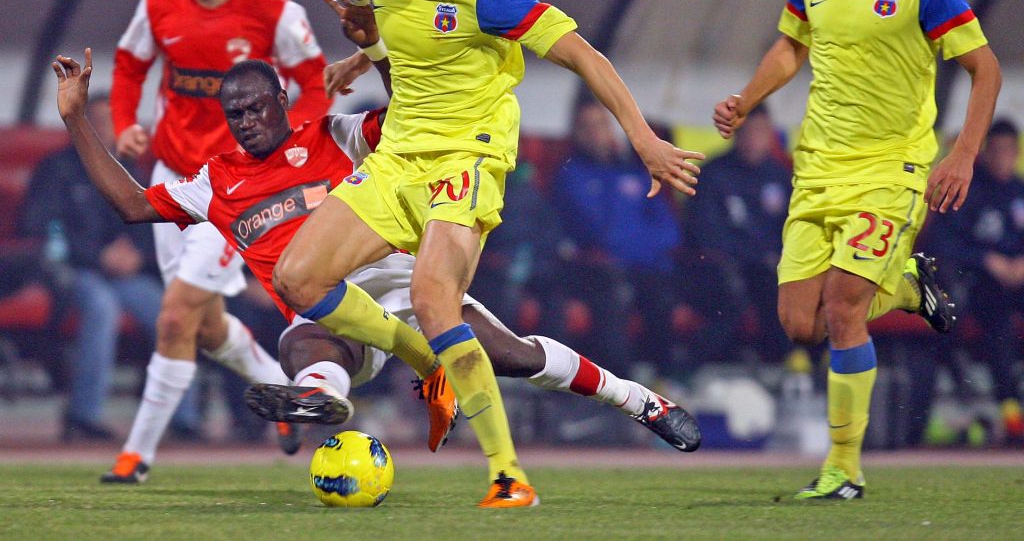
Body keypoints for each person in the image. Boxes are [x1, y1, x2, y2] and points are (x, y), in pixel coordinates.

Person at [52, 53, 701, 478]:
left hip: (395, 283)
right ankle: (324, 398)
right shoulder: (216, 181)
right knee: (301, 334)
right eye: (235, 114)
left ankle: (639, 400)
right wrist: (79, 118)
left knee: (513, 356)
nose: (246, 122)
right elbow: (132, 205)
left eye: (256, 107)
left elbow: (410, 122)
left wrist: (383, 53)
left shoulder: (333, 133)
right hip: (328, 311)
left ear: (282, 99)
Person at [269, 0, 705, 508]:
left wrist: (641, 138)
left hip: (469, 157)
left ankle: (510, 475)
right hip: (399, 158)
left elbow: (585, 56)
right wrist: (363, 54)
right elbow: (412, 46)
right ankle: (431, 365)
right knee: (297, 278)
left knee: (438, 301)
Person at [713, 0, 1001, 500]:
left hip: (889, 169)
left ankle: (844, 468)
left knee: (843, 310)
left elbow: (985, 69)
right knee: (799, 324)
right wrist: (747, 98)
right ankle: (905, 289)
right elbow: (791, 46)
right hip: (818, 168)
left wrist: (961, 154)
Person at [104, 0, 331, 482]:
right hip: (170, 177)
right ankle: (283, 392)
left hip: (231, 190)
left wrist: (286, 149)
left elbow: (314, 83)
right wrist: (127, 123)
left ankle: (136, 458)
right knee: (203, 327)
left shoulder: (273, 13)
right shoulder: (157, 7)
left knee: (176, 317)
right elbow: (129, 66)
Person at [17, 93, 200, 440]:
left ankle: (183, 418)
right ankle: (84, 416)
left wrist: (137, 257)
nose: (103, 129)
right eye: (95, 121)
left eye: (110, 122)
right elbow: (41, 227)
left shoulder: (130, 170)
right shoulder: (57, 168)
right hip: (73, 272)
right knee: (102, 307)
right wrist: (95, 256)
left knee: (173, 311)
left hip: (126, 276)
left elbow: (157, 228)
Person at [550, 98, 683, 379]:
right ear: (575, 133)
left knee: (663, 293)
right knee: (614, 293)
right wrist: (642, 245)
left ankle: (664, 378)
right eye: (586, 127)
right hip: (594, 269)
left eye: (601, 125)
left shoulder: (636, 172)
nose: (595, 133)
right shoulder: (570, 176)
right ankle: (619, 384)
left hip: (642, 266)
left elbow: (669, 231)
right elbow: (599, 234)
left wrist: (637, 248)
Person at [925, 118, 1024, 444]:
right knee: (996, 320)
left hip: (1017, 280)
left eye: (1009, 151)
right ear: (985, 151)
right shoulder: (967, 189)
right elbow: (943, 242)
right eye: (996, 150)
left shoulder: (1019, 191)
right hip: (977, 284)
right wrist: (988, 260)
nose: (1002, 158)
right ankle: (1008, 407)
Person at [685, 104, 793, 364]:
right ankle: (705, 364)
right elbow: (705, 233)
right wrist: (759, 255)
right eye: (749, 131)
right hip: (725, 266)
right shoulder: (713, 174)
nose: (755, 138)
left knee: (789, 287)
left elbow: (796, 229)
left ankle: (785, 365)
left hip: (772, 266)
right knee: (734, 290)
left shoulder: (782, 176)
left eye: (761, 131)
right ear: (736, 133)